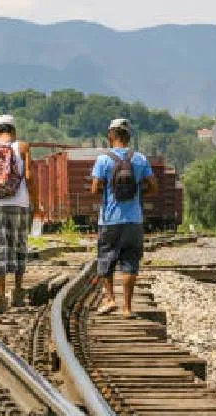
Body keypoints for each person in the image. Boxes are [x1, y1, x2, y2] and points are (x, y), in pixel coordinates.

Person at [89, 118, 158, 318]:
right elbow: (154, 187)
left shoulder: (103, 159)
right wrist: (138, 192)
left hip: (109, 219)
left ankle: (110, 298)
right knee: (130, 261)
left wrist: (108, 190)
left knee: (106, 258)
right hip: (133, 219)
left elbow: (95, 189)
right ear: (129, 136)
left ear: (111, 135)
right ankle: (127, 308)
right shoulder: (140, 159)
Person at [0, 115, 37, 314]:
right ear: (14, 131)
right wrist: (35, 203)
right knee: (19, 245)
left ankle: (0, 297)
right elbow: (28, 177)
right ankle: (18, 293)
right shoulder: (23, 147)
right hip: (20, 205)